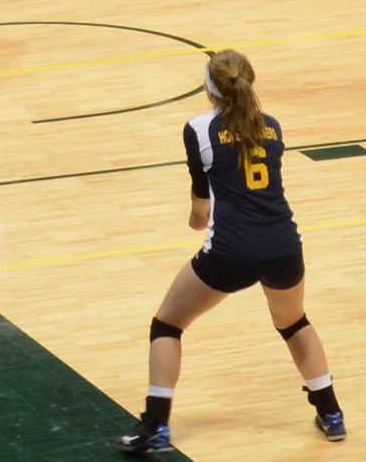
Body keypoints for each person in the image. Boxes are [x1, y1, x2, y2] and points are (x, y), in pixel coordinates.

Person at [117, 50, 345, 455]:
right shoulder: (272, 127)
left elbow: (202, 210)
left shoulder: (198, 129)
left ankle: (155, 426)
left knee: (167, 325)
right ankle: (331, 414)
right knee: (293, 323)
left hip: (232, 252)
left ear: (209, 89)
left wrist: (194, 221)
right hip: (284, 247)